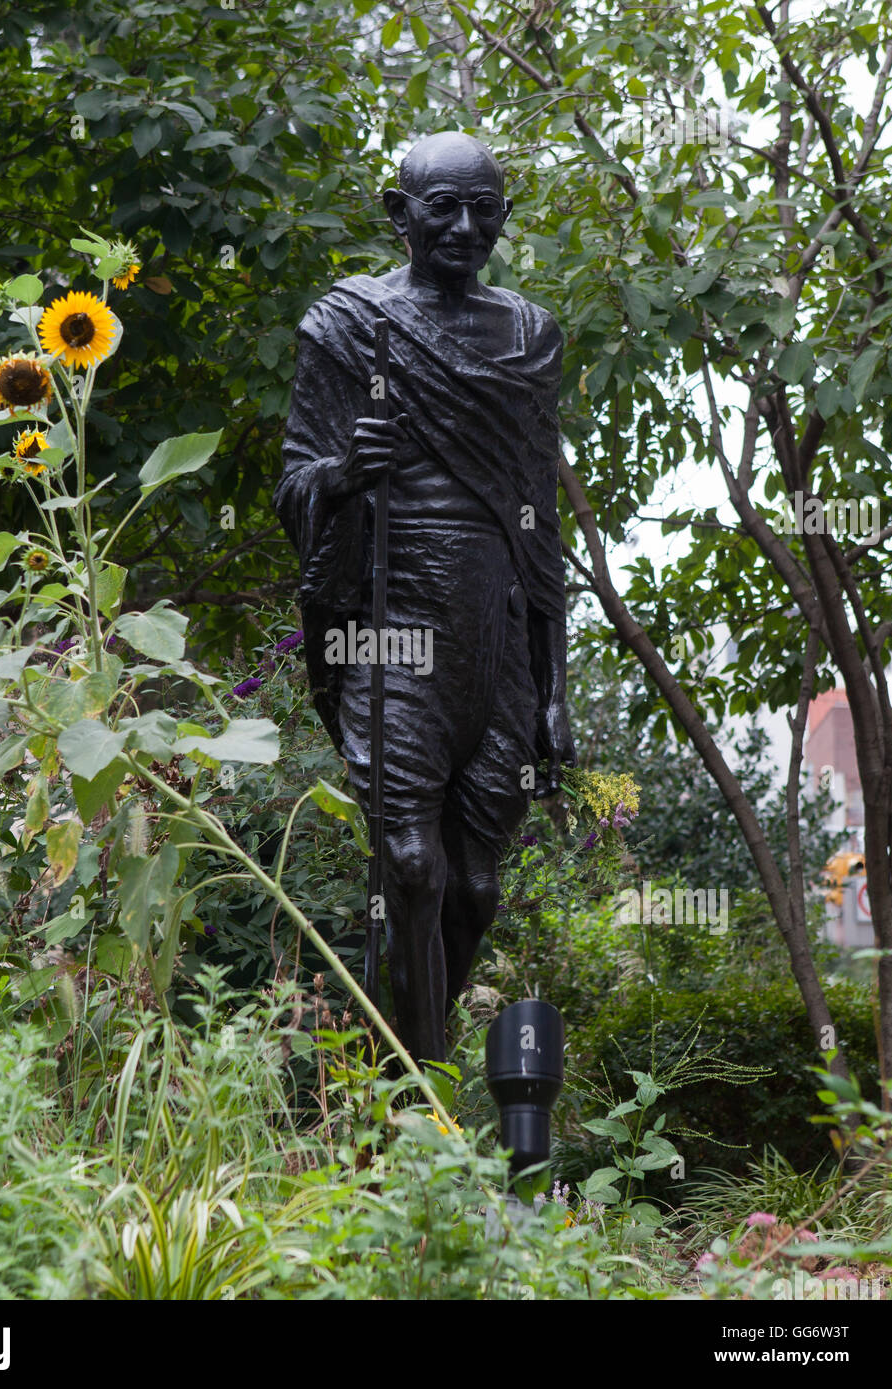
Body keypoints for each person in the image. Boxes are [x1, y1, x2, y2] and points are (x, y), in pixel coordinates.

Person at [275, 131, 575, 1063]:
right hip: (390, 621)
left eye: (484, 208)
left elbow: (540, 516)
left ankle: (397, 1057)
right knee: (409, 864)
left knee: (476, 886)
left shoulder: (529, 336)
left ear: (503, 219)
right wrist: (341, 473)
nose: (463, 227)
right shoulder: (350, 325)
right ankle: (417, 1100)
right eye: (441, 206)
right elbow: (293, 481)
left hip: (495, 628)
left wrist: (555, 684)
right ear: (397, 213)